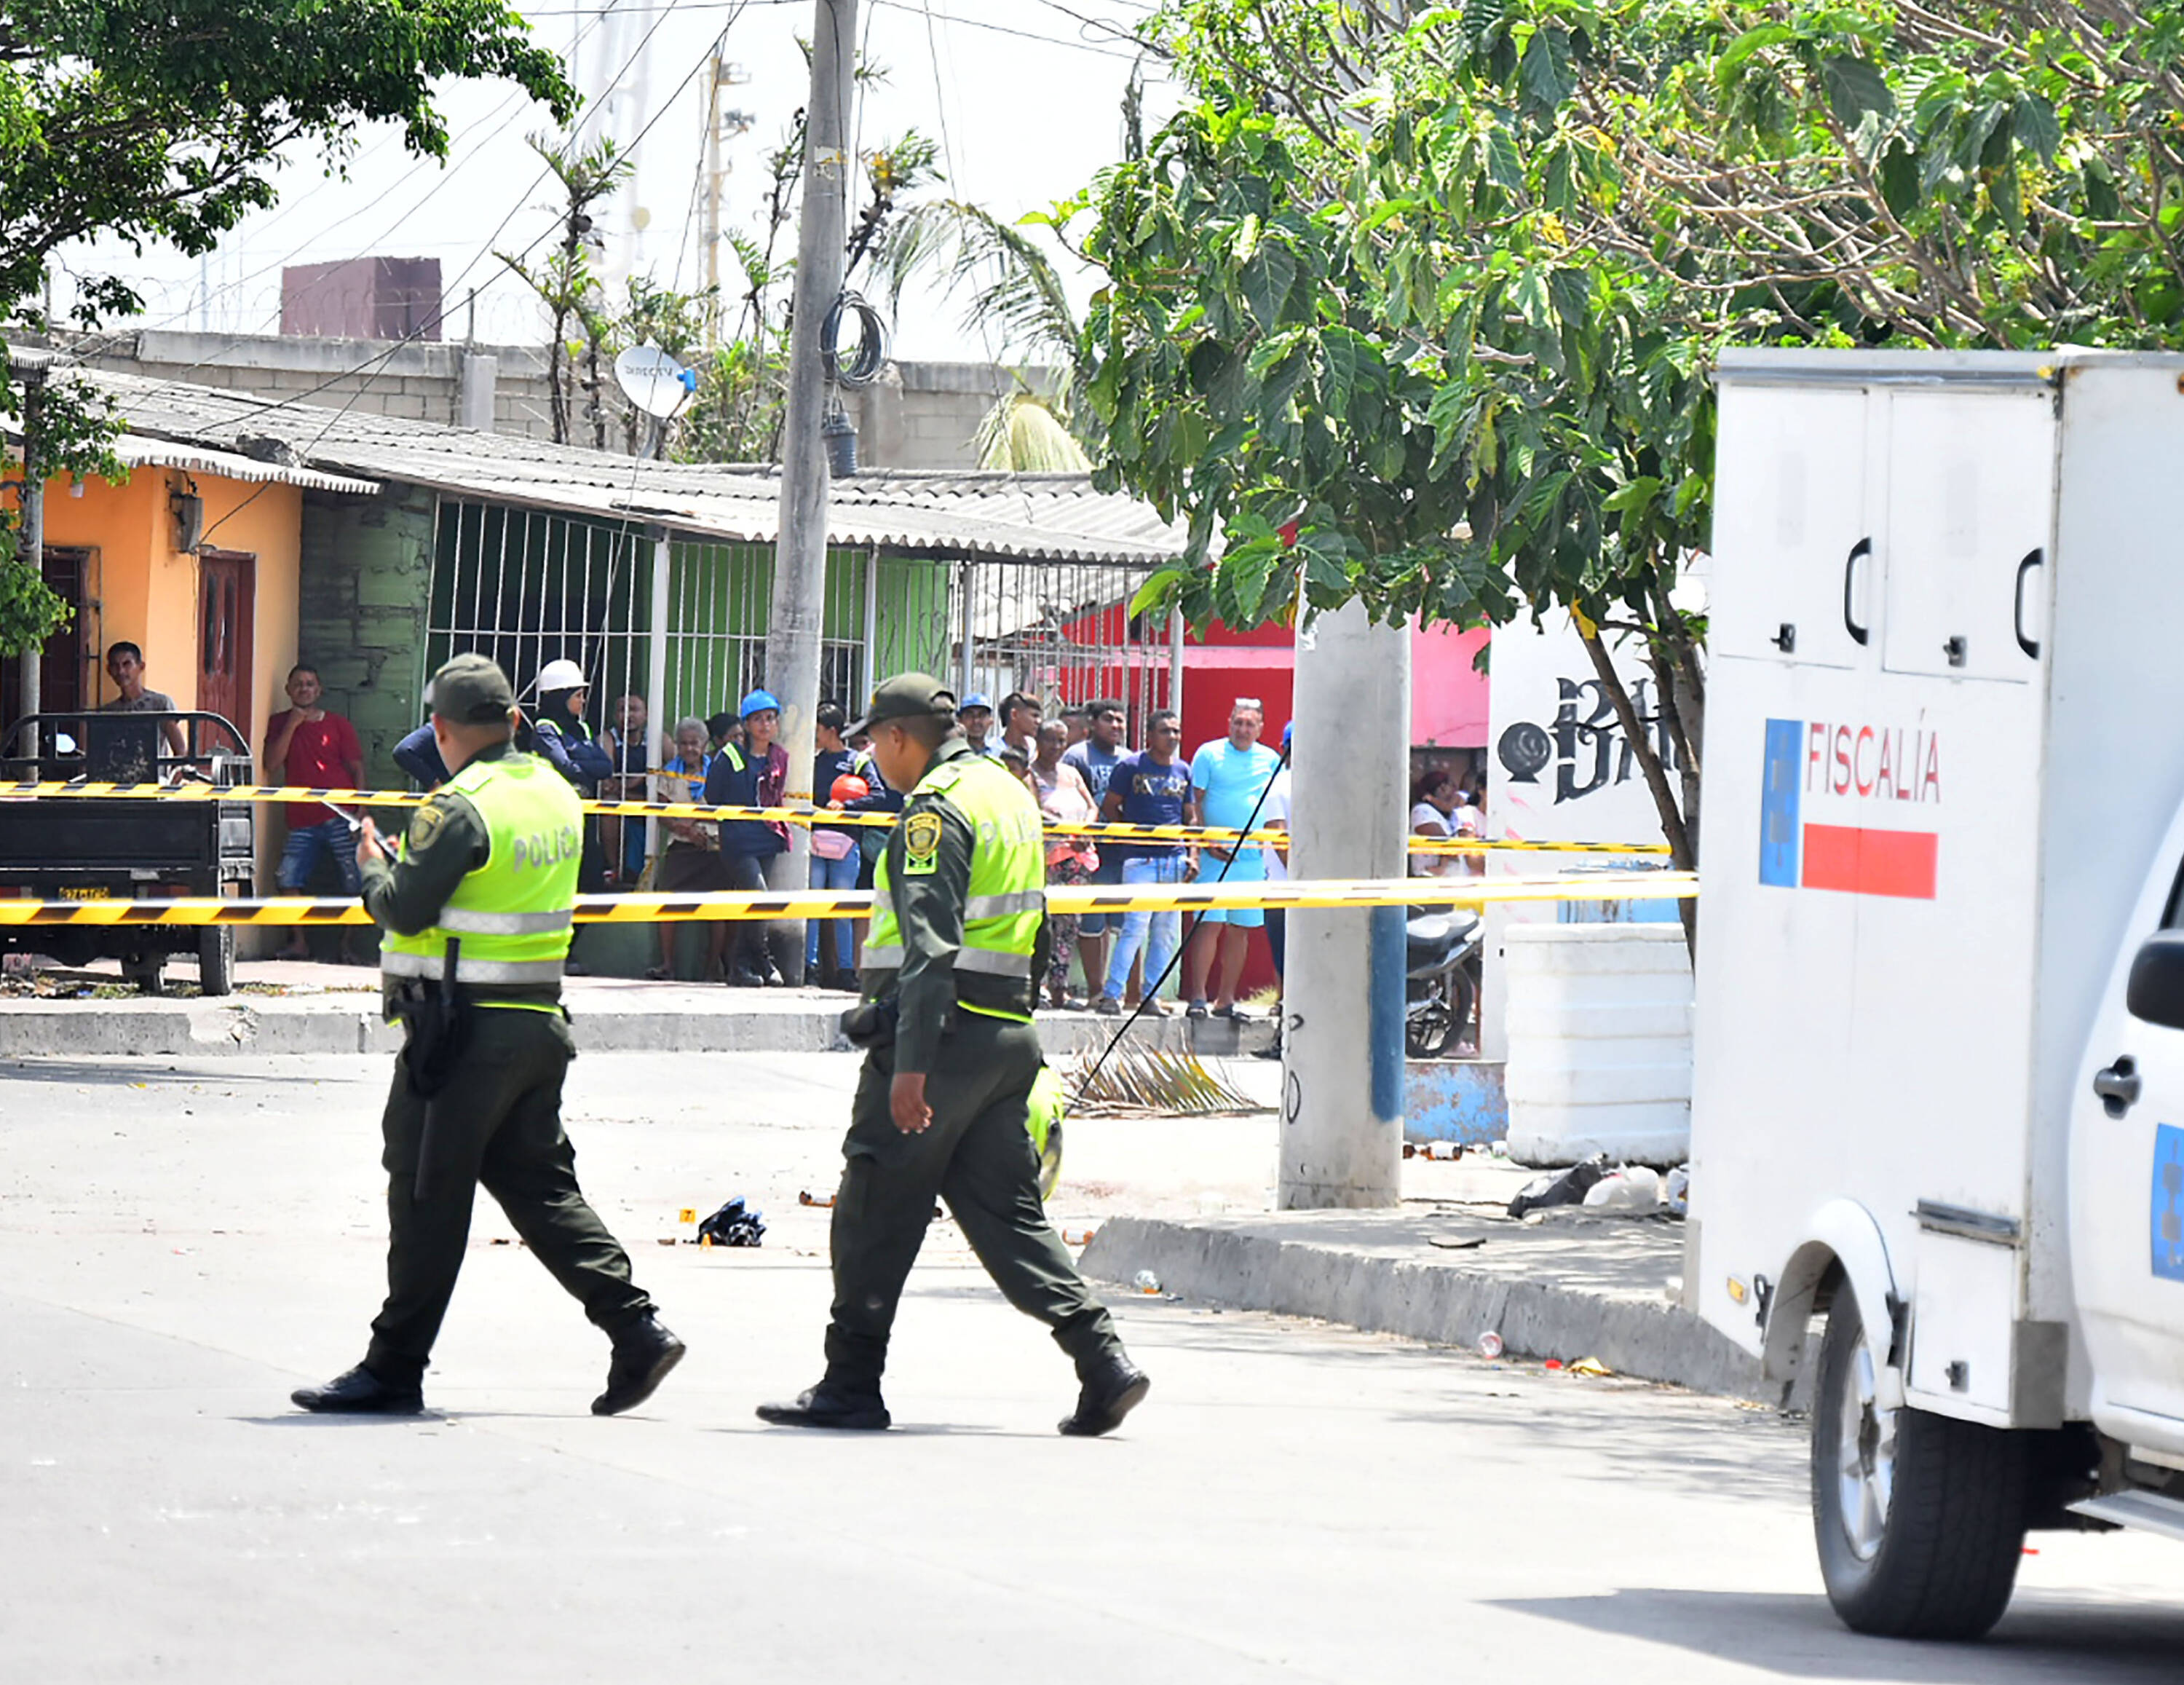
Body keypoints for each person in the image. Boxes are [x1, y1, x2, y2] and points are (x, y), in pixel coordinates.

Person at [290, 653, 683, 1418]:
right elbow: (489, 888)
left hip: (461, 1035)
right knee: (541, 1189)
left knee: (425, 1193)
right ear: (515, 719)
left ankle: (393, 1368)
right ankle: (636, 1329)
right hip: (537, 1024)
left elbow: (404, 908)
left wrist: (373, 867)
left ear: (440, 729)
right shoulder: (556, 793)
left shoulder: (459, 806)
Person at [756, 672, 1148, 1437]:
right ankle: (1103, 1359)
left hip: (939, 1040)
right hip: (1002, 1037)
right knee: (1007, 1216)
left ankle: (851, 1383)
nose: (875, 758)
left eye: (877, 742)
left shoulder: (936, 809)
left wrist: (909, 1067)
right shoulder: (1007, 792)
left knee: (874, 1206)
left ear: (900, 737)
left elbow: (930, 949)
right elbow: (1034, 922)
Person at [1182, 698, 1283, 1019]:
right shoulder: (1208, 754)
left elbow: (1275, 805)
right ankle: (1198, 997)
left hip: (1252, 858)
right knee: (1210, 923)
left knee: (1241, 928)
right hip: (1215, 855)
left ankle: (1226, 1000)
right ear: (1229, 723)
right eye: (1238, 722)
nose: (1243, 729)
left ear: (1260, 728)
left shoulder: (1271, 759)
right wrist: (1204, 840)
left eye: (1250, 724)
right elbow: (1194, 803)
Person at [1091, 709, 1195, 1017]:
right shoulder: (1131, 766)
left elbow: (1190, 817)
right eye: (1165, 731)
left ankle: (1152, 996)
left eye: (1176, 731)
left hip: (1175, 858)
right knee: (1134, 928)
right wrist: (1130, 835)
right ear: (1150, 736)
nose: (1172, 737)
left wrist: (1193, 854)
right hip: (1140, 859)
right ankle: (1113, 995)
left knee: (1165, 933)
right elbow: (1111, 805)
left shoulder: (1183, 770)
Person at [264, 663, 366, 963]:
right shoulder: (279, 722)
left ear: (319, 690)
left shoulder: (338, 724)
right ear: (288, 690)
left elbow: (357, 767)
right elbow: (271, 764)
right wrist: (293, 725)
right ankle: (299, 943)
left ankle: (347, 948)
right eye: (298, 684)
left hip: (341, 815)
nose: (304, 689)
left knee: (355, 881)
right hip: (301, 818)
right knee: (288, 877)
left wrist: (361, 807)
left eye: (310, 684)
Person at [703, 687, 791, 985]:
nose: (765, 725)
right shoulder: (730, 754)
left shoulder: (779, 756)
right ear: (746, 724)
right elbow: (712, 794)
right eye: (758, 719)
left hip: (768, 837)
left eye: (770, 718)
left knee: (754, 904)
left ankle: (742, 967)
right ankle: (762, 959)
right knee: (759, 896)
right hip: (738, 840)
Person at [647, 717, 729, 982]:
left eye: (695, 743)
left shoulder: (717, 771)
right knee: (668, 901)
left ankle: (712, 968)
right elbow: (662, 812)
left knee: (718, 908)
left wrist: (698, 825)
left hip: (713, 846)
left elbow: (727, 807)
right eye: (683, 743)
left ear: (705, 745)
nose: (689, 749)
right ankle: (667, 965)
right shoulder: (669, 773)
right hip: (681, 846)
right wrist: (685, 830)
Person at [1062, 698, 1131, 1005]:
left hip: (1122, 852)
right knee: (1091, 922)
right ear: (1092, 723)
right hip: (1088, 852)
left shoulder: (1129, 759)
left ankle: (1124, 992)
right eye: (1108, 719)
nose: (1115, 725)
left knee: (1122, 924)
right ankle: (1095, 990)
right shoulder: (1077, 756)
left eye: (1120, 720)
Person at [529, 659, 614, 894]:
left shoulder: (582, 729)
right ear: (561, 697)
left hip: (583, 812)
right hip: (553, 814)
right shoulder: (546, 728)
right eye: (578, 695)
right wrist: (584, 766)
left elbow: (606, 767)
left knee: (591, 876)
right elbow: (565, 767)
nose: (583, 701)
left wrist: (578, 765)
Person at [1032, 717, 1098, 1011]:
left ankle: (1060, 988)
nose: (1056, 746)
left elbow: (1092, 806)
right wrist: (1068, 833)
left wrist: (1084, 830)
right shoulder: (1030, 775)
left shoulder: (1072, 773)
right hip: (1046, 862)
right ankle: (1038, 987)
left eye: (1061, 740)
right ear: (1038, 741)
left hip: (1077, 861)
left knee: (1069, 927)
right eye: (1050, 740)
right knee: (1042, 925)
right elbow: (1034, 810)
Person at [807, 701, 860, 991]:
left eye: (817, 729)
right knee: (812, 907)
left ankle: (846, 971)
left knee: (843, 910)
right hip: (815, 843)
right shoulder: (812, 762)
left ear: (831, 730)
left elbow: (877, 795)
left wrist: (846, 806)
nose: (814, 735)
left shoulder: (856, 761)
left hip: (846, 844)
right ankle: (810, 968)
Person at [100, 641, 186, 757]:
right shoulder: (108, 712)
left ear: (141, 667)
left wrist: (174, 770)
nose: (121, 671)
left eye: (127, 664)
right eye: (115, 666)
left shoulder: (159, 704)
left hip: (154, 769)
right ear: (109, 670)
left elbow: (180, 751)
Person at [601, 692, 652, 886]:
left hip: (650, 800)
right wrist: (641, 779)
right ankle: (613, 868)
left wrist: (631, 783)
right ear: (615, 716)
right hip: (623, 800)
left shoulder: (655, 738)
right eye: (623, 710)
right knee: (609, 803)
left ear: (646, 714)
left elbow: (672, 769)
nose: (629, 715)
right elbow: (607, 780)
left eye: (635, 710)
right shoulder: (609, 739)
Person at [1410, 766, 1460, 877]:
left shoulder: (1446, 815)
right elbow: (1444, 844)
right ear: (1442, 788)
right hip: (1428, 877)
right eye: (1451, 785)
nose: (1454, 790)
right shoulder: (1423, 811)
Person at [998, 690, 1042, 761]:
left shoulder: (1036, 751)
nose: (1039, 721)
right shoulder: (993, 752)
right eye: (1034, 716)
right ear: (1014, 715)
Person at [957, 692, 998, 757]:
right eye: (970, 715)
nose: (976, 721)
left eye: (982, 715)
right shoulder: (955, 752)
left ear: (991, 720)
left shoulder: (999, 751)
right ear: (960, 721)